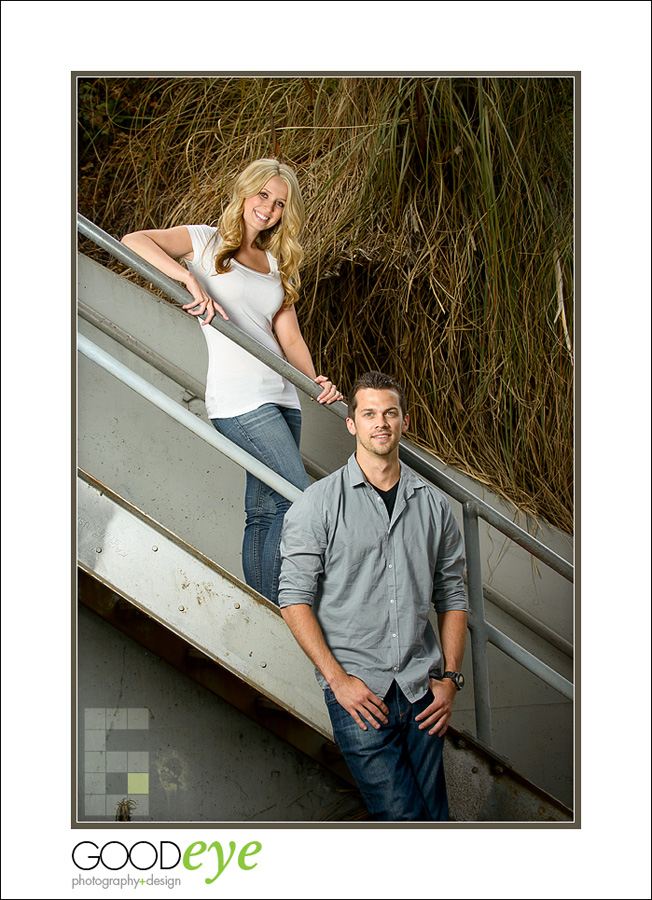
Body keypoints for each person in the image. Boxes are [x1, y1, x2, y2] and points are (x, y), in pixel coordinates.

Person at [121, 158, 342, 605]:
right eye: (263, 195)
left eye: (279, 203)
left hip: (282, 397)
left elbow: (290, 337)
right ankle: (285, 608)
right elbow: (133, 239)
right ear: (244, 192)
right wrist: (187, 278)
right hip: (239, 400)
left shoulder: (276, 264)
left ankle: (263, 608)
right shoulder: (203, 241)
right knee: (298, 494)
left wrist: (317, 381)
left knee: (268, 510)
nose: (269, 207)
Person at [278, 371, 468, 821]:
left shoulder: (435, 507)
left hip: (423, 692)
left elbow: (454, 596)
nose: (380, 422)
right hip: (360, 694)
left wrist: (451, 679)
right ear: (352, 424)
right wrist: (338, 682)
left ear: (404, 421)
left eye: (390, 413)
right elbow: (293, 599)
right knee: (405, 819)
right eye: (369, 414)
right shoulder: (318, 503)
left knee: (434, 819)